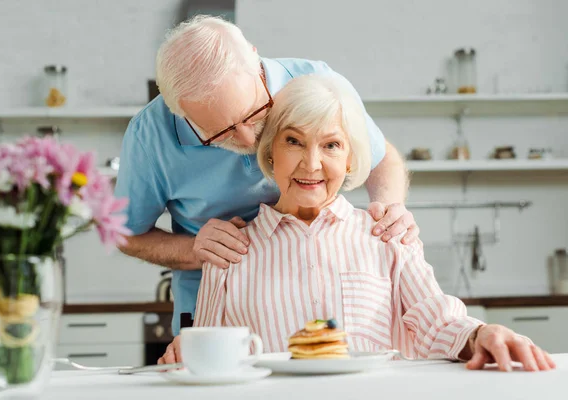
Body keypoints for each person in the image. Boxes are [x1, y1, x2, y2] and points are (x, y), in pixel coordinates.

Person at [158, 75, 555, 372]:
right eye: (293, 141)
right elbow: (205, 358)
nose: (311, 164)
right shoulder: (229, 249)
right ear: (270, 153)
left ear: (350, 159)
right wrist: (184, 353)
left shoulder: (387, 236)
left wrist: (478, 334)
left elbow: (438, 320)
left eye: (331, 145)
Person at [115, 15, 416, 337]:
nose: (248, 141)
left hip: (320, 284)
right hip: (215, 299)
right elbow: (126, 234)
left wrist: (388, 209)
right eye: (219, 134)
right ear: (180, 113)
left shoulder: (317, 83)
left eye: (254, 114)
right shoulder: (150, 136)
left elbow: (380, 157)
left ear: (256, 64)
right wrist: (193, 250)